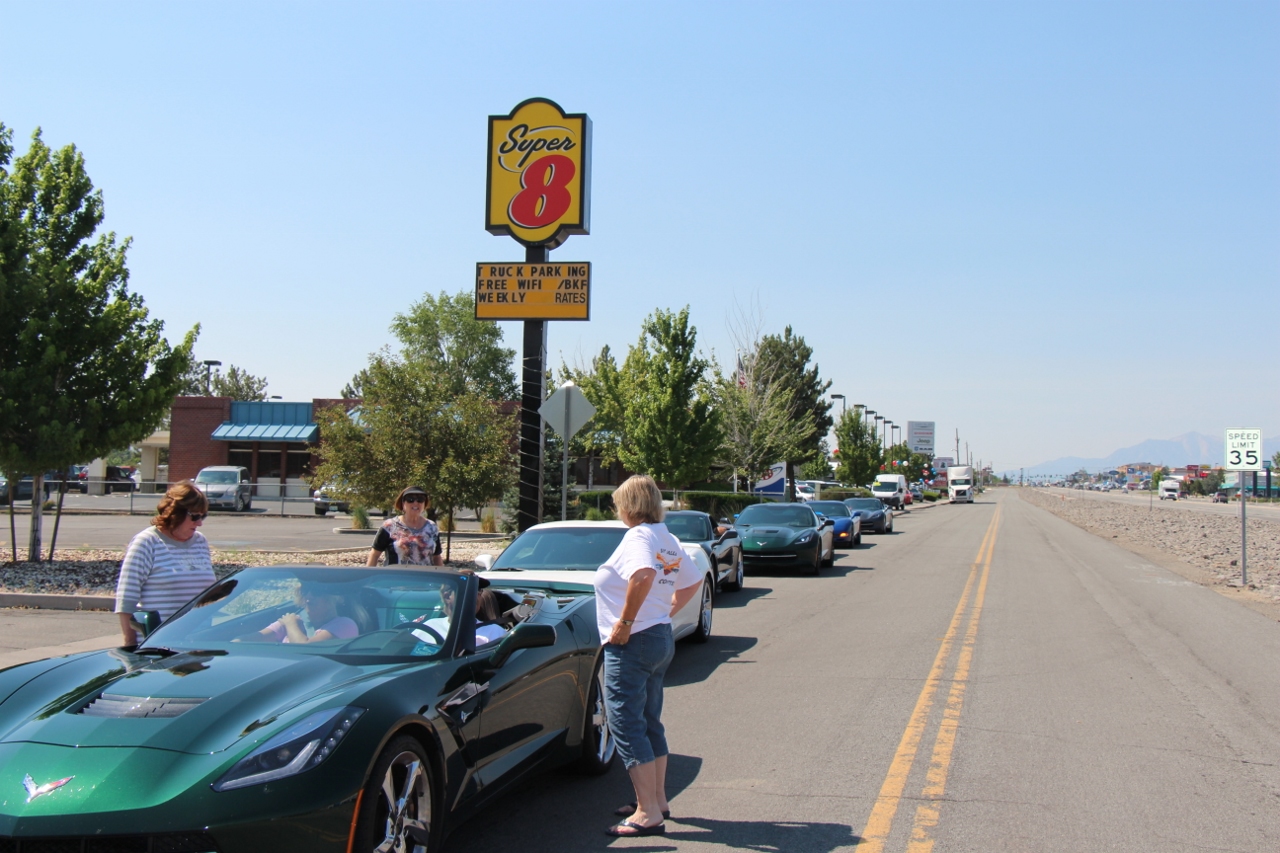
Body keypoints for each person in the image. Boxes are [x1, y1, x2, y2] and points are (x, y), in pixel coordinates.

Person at [593, 474, 704, 838]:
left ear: (630, 506)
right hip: (657, 636)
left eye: (618, 504)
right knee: (648, 719)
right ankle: (657, 800)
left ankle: (647, 812)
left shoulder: (639, 537)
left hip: (633, 641)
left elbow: (641, 575)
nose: (617, 511)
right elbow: (691, 581)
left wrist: (625, 622)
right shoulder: (666, 539)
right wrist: (664, 613)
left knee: (625, 721)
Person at [114, 481, 217, 646]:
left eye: (203, 516)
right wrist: (130, 645)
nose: (200, 523)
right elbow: (126, 599)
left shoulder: (200, 541)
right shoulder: (147, 542)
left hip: (197, 645)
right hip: (158, 646)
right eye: (195, 516)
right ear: (175, 513)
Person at [258, 582, 359, 644]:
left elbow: (304, 648)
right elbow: (255, 638)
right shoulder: (294, 620)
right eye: (305, 590)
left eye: (317, 591)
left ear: (332, 597)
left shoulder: (345, 625)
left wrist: (290, 624)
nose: (309, 596)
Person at [367, 485, 444, 567]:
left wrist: (443, 578)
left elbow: (437, 556)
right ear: (403, 503)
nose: (415, 503)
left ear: (424, 504)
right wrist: (368, 577)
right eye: (410, 499)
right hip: (396, 578)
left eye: (420, 500)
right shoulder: (389, 526)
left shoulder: (432, 527)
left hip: (425, 578)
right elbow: (374, 554)